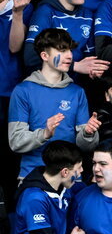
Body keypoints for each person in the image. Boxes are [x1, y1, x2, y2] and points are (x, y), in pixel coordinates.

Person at [8, 27, 98, 180]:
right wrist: (45, 133)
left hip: (71, 178)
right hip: (34, 176)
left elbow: (86, 147)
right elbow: (16, 141)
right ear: (44, 55)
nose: (69, 56)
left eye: (70, 50)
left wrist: (88, 134)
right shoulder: (23, 90)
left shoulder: (77, 92)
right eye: (61, 50)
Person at [9, 140, 83, 234]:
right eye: (79, 167)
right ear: (65, 172)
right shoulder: (34, 198)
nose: (82, 171)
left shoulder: (65, 188)